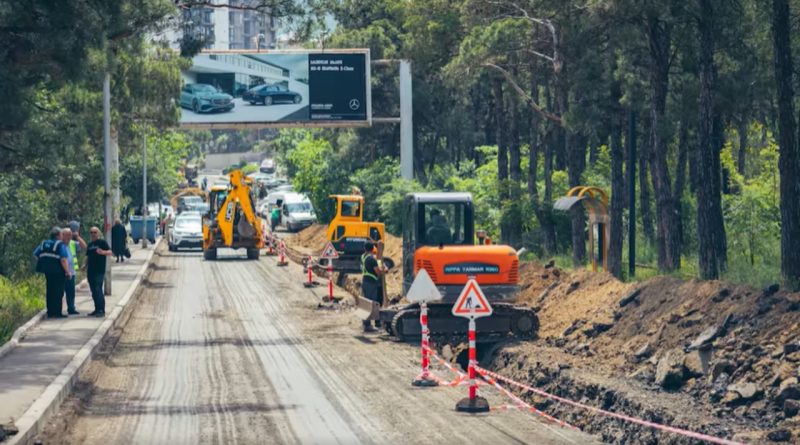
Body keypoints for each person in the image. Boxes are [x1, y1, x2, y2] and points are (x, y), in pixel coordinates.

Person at [33, 227, 72, 318]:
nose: (63, 237)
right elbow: (63, 259)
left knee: (50, 291)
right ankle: (57, 313)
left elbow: (35, 254)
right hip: (58, 272)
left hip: (48, 272)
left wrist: (44, 262)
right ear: (58, 235)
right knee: (58, 292)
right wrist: (68, 271)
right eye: (62, 234)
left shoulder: (44, 243)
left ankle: (50, 312)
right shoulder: (59, 244)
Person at [86, 226, 112, 317]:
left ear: (98, 233)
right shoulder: (90, 245)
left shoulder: (102, 242)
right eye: (91, 232)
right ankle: (96, 309)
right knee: (93, 291)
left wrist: (103, 252)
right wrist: (84, 266)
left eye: (95, 232)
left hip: (99, 271)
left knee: (98, 289)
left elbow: (110, 252)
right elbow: (88, 257)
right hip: (90, 271)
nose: (93, 234)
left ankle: (101, 310)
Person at [360, 242, 384, 333]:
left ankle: (365, 322)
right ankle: (368, 325)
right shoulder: (371, 259)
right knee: (371, 303)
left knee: (366, 302)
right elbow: (377, 271)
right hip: (371, 282)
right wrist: (382, 271)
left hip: (365, 281)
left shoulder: (363, 256)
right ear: (373, 248)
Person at [61, 227, 86, 315]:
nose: (69, 237)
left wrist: (78, 237)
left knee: (71, 292)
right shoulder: (59, 244)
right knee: (60, 292)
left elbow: (84, 246)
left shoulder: (72, 243)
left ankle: (71, 309)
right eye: (67, 235)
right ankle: (58, 310)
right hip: (61, 272)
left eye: (70, 235)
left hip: (71, 272)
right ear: (62, 235)